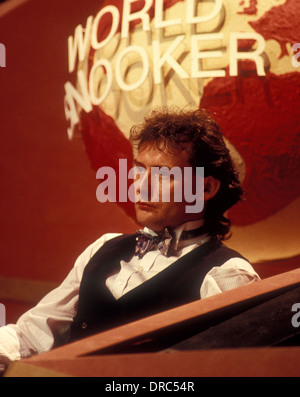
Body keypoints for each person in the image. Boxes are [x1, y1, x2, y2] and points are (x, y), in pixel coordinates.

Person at [0, 107, 260, 370]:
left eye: (162, 174)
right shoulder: (102, 248)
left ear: (205, 187)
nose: (141, 186)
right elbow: (28, 336)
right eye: (140, 170)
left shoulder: (229, 275)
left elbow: (229, 371)